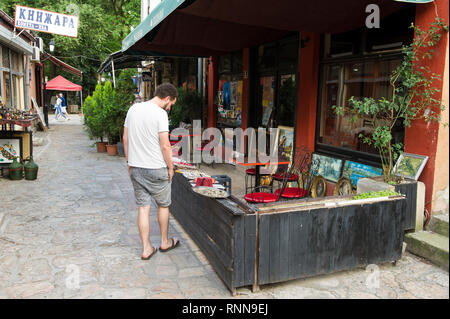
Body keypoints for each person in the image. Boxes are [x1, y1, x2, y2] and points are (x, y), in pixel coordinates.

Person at [123, 83, 180, 260]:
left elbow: (125, 138)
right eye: (171, 105)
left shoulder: (133, 109)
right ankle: (164, 241)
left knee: (143, 208)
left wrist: (129, 162)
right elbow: (165, 145)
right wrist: (171, 167)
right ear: (167, 98)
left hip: (136, 168)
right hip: (157, 169)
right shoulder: (160, 114)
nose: (170, 108)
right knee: (163, 205)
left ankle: (146, 248)